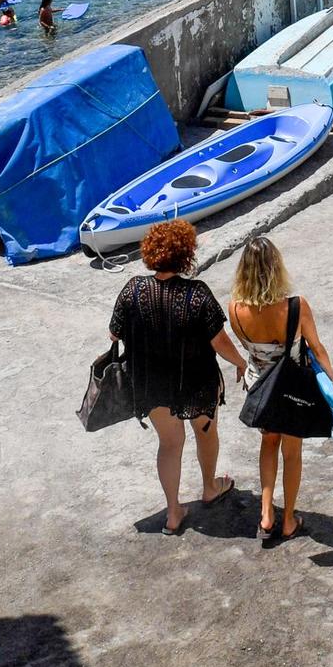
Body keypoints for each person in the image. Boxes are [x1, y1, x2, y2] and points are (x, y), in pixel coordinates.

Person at [108, 220, 248, 535]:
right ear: (186, 255)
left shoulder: (132, 289)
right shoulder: (197, 294)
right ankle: (210, 488)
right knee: (205, 434)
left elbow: (113, 333)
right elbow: (219, 341)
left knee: (170, 444)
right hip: (196, 384)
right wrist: (240, 362)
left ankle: (173, 512)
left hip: (153, 386)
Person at [228, 236, 333, 545]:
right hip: (289, 391)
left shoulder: (235, 307)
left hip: (259, 387)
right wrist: (331, 385)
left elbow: (249, 348)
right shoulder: (296, 307)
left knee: (267, 445)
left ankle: (265, 514)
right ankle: (288, 519)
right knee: (292, 453)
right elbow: (316, 347)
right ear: (277, 267)